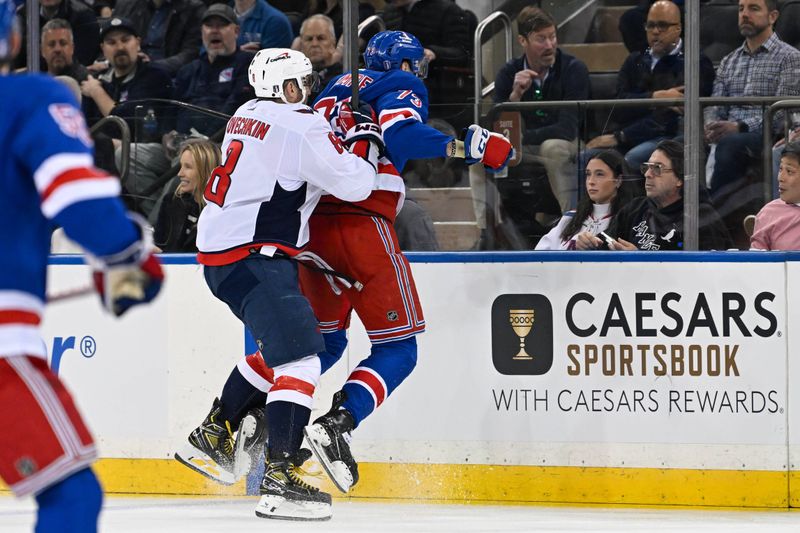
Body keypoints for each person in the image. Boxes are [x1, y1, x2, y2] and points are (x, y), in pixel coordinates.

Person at [174, 48, 383, 521]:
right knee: (303, 359)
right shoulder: (302, 125)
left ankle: (215, 432)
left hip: (224, 257)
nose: (307, 91)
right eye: (302, 83)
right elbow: (355, 184)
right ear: (288, 88)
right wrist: (366, 139)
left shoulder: (244, 113)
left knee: (280, 352)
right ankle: (281, 477)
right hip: (255, 253)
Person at [299, 30, 512, 494]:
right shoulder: (401, 83)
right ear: (405, 63)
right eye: (417, 64)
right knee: (399, 348)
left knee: (324, 345)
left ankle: (248, 415)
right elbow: (403, 133)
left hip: (311, 230)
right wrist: (469, 149)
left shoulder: (331, 90)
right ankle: (337, 423)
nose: (419, 73)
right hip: (360, 227)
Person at [0, 2, 163, 531]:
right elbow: (79, 199)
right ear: (16, 40)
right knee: (71, 498)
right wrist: (126, 255)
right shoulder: (29, 98)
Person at [470, 6, 590, 242]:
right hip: (525, 150)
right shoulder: (508, 73)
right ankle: (487, 231)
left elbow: (567, 129)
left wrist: (522, 139)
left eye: (552, 37)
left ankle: (572, 224)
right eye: (541, 39)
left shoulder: (573, 69)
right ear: (522, 41)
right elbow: (494, 126)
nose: (549, 45)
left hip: (568, 144)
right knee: (477, 155)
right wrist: (514, 97)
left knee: (552, 147)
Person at [585, 0, 714, 170]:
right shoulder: (635, 60)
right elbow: (616, 107)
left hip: (668, 138)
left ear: (678, 28)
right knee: (585, 158)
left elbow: (669, 119)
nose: (655, 32)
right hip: (629, 135)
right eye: (650, 25)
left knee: (632, 159)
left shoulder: (695, 62)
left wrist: (622, 136)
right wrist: (654, 98)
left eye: (662, 26)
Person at [704, 0, 800, 198]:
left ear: (772, 17)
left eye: (753, 8)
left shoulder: (790, 57)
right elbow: (714, 104)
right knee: (681, 144)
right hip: (726, 133)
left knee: (731, 144)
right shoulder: (728, 60)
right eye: (741, 9)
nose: (744, 14)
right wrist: (710, 125)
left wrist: (740, 126)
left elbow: (782, 114)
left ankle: (717, 220)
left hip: (765, 134)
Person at [80, 17, 174, 218]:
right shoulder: (100, 81)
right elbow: (85, 125)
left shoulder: (154, 76)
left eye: (125, 40)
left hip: (152, 149)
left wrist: (97, 93)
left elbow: (132, 120)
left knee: (114, 150)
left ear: (138, 42)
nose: (119, 47)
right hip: (109, 153)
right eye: (112, 42)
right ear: (103, 49)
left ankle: (159, 223)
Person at [577, 139, 733, 251]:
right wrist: (589, 244)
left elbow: (708, 275)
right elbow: (603, 245)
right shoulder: (636, 208)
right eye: (647, 167)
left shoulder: (701, 217)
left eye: (657, 168)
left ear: (679, 179)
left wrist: (641, 262)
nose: (648, 174)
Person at [536, 150, 639, 250]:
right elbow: (539, 257)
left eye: (599, 174)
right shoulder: (570, 218)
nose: (591, 181)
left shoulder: (632, 223)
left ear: (618, 180)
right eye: (588, 174)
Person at [152, 139, 219, 253]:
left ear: (206, 170)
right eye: (181, 166)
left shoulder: (222, 212)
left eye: (187, 167)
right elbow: (161, 246)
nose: (180, 174)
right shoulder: (171, 202)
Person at [112, 0, 205, 76]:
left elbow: (191, 53)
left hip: (167, 75)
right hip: (128, 69)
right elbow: (111, 41)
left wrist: (152, 66)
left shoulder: (193, 8)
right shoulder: (127, 5)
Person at [13, 0, 99, 71]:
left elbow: (80, 62)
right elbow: (14, 61)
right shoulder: (22, 15)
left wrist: (27, 70)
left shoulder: (83, 15)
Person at [750, 141, 800, 250]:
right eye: (781, 169)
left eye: (789, 171)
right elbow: (756, 263)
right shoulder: (769, 213)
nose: (781, 178)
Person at [297, 13, 342, 103]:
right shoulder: (293, 77)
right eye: (309, 39)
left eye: (321, 38)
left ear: (333, 42)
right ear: (301, 45)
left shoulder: (343, 77)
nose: (314, 44)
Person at [40, 19, 88, 83]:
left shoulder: (86, 81)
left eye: (63, 43)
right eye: (51, 44)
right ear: (42, 51)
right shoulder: (35, 81)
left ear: (72, 48)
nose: (57, 49)